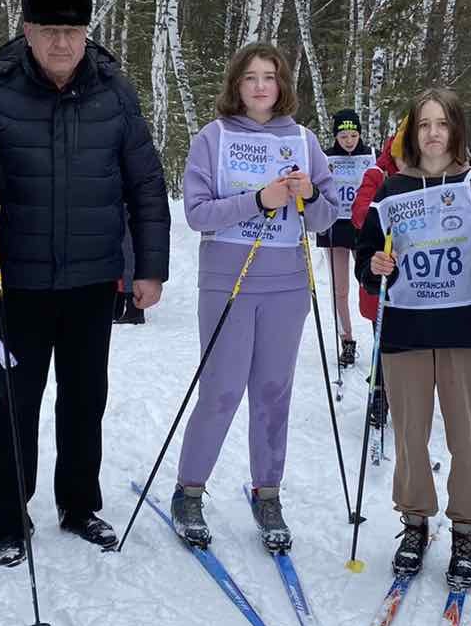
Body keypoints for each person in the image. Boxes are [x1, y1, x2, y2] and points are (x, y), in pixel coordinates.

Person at [0, 0, 170, 566]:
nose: (62, 43)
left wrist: (150, 267)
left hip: (93, 279)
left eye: (72, 31)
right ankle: (8, 517)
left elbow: (145, 184)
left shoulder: (115, 94)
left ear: (86, 34)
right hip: (16, 279)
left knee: (85, 397)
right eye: (50, 31)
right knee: (16, 399)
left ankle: (78, 504)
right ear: (27, 32)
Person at [167, 45, 338, 551]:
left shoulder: (304, 140)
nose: (261, 86)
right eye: (250, 78)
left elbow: (326, 218)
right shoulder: (212, 138)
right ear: (236, 86)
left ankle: (268, 493)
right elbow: (198, 214)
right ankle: (189, 490)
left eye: (270, 77)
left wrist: (307, 196)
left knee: (273, 391)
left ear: (283, 84)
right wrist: (259, 199)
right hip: (228, 276)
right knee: (221, 390)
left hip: (286, 280)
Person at [353, 89, 471, 584]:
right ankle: (415, 520)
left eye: (440, 124)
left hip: (464, 327)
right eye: (422, 124)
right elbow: (367, 259)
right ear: (411, 132)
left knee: (466, 433)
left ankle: (466, 526)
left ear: (456, 130)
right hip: (405, 327)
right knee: (409, 433)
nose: (431, 133)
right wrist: (373, 266)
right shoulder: (392, 189)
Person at [350, 127, 403, 431]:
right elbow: (360, 215)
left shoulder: (433, 173)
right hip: (381, 276)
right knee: (384, 341)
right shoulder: (378, 174)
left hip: (419, 283)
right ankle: (380, 397)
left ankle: (401, 396)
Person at [317, 108, 373, 369]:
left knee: (370, 283)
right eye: (343, 136)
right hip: (335, 225)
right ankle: (346, 341)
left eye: (353, 135)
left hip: (363, 226)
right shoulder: (325, 157)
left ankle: (380, 335)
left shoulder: (369, 156)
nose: (349, 140)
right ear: (335, 136)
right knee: (340, 289)